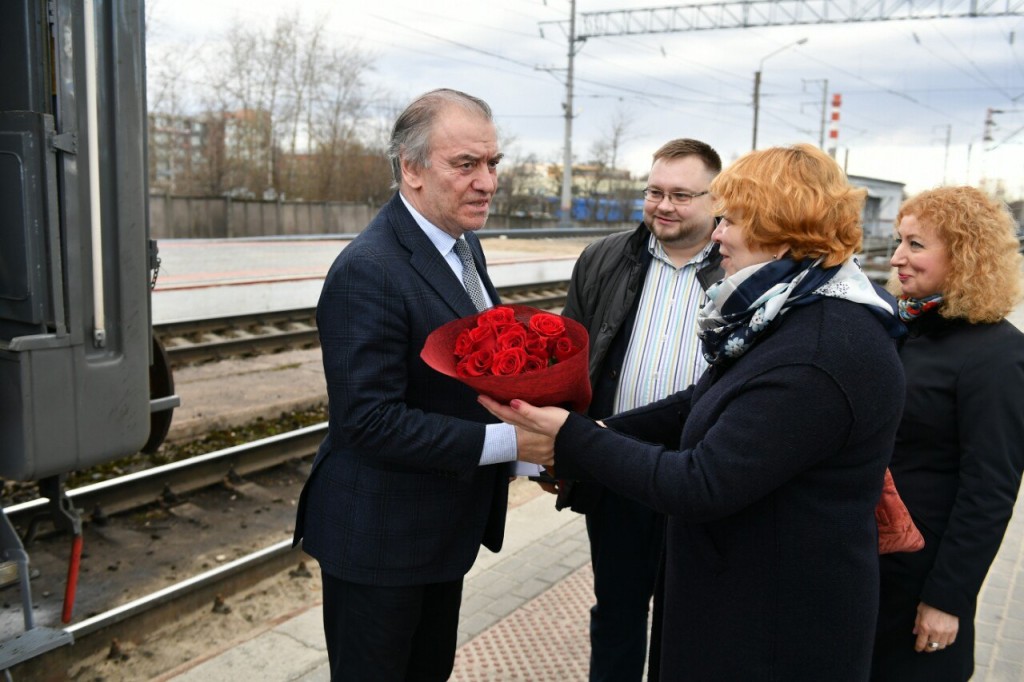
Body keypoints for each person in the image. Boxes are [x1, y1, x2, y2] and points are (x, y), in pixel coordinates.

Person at [481, 143, 907, 680]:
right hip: (745, 598)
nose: (719, 233)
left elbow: (702, 483)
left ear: (781, 228)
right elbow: (697, 401)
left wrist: (573, 438)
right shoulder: (789, 312)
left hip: (774, 631)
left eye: (731, 220)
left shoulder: (818, 353)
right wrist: (599, 430)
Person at [293, 88, 535, 681]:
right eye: (466, 165)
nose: (487, 182)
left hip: (438, 532)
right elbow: (369, 421)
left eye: (493, 163)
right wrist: (515, 444)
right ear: (411, 168)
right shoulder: (368, 270)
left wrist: (532, 450)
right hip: (378, 541)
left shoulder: (462, 246)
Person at [555, 138, 723, 681]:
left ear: (716, 200)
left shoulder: (743, 264)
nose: (663, 205)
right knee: (618, 610)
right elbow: (568, 358)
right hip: (618, 465)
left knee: (692, 618)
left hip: (703, 472)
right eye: (654, 191)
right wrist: (560, 447)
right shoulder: (605, 258)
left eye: (681, 194)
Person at [871, 186, 1024, 681]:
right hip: (869, 567)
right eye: (899, 242)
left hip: (920, 581)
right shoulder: (903, 327)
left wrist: (947, 599)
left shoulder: (998, 354)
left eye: (915, 245)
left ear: (966, 256)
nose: (896, 258)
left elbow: (990, 489)